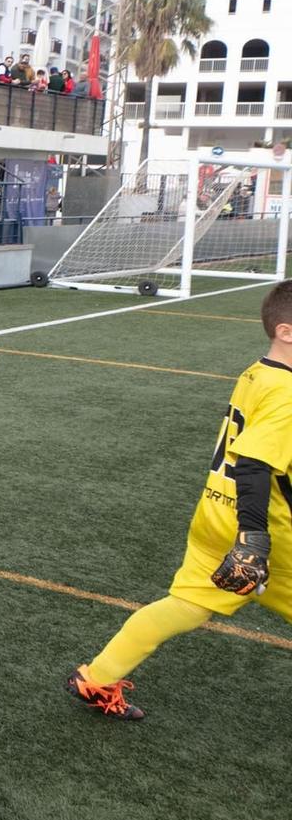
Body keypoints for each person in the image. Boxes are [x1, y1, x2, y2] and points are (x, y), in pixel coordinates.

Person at [68, 281, 292, 722]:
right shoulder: (288, 391)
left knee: (185, 605)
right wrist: (254, 539)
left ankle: (95, 677)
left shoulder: (257, 373)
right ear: (286, 332)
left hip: (215, 516)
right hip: (266, 533)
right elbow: (253, 463)